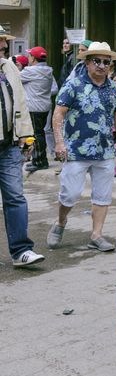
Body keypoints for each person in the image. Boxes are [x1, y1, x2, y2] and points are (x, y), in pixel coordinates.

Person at [48, 41, 116, 253]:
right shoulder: (73, 85)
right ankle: (61, 222)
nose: (102, 66)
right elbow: (59, 114)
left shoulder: (113, 87)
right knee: (70, 194)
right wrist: (59, 142)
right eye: (97, 61)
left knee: (103, 195)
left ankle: (96, 235)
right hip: (76, 150)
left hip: (104, 150)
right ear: (87, 63)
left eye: (107, 62)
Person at [0, 33, 44, 268]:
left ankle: (21, 251)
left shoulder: (8, 67)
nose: (4, 45)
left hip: (9, 146)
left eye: (3, 40)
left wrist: (27, 137)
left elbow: (21, 103)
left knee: (15, 198)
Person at [20, 47, 56, 172]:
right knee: (39, 133)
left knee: (37, 134)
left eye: (29, 56)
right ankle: (38, 160)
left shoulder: (30, 71)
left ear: (34, 59)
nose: (28, 58)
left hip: (34, 107)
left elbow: (15, 79)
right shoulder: (48, 70)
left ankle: (40, 161)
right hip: (44, 106)